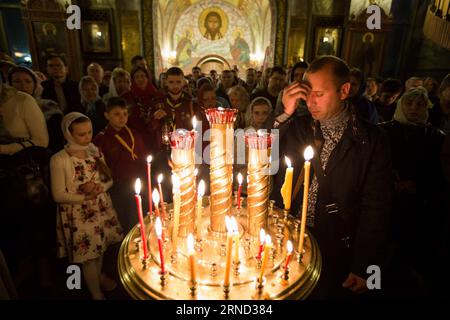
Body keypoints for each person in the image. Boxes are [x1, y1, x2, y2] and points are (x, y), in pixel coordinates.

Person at [272, 55, 393, 299]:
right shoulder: (298, 127)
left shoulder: (371, 140)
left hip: (337, 243)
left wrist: (364, 265)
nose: (311, 102)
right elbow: (262, 159)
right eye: (307, 94)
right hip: (293, 236)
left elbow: (377, 207)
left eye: (319, 93)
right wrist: (284, 114)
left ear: (344, 90)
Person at [379, 87, 446, 297]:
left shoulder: (435, 135)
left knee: (410, 250)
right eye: (409, 103)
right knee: (381, 250)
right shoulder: (384, 130)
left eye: (419, 104)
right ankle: (374, 286)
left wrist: (418, 185)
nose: (414, 108)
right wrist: (390, 181)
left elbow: (438, 170)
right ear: (400, 105)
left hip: (419, 204)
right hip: (386, 201)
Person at [50, 112, 123, 300]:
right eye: (81, 134)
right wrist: (85, 196)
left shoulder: (94, 151)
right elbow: (58, 194)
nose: (87, 137)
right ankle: (96, 293)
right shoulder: (60, 159)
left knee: (99, 249)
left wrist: (100, 188)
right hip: (79, 213)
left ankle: (97, 277)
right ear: (68, 134)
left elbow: (109, 180)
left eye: (89, 132)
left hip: (100, 207)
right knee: (88, 255)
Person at [93, 97, 147, 232]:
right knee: (124, 220)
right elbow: (99, 166)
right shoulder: (101, 138)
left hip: (137, 182)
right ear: (106, 115)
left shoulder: (134, 134)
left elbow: (142, 157)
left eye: (124, 113)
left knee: (139, 218)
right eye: (116, 114)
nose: (122, 118)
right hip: (117, 186)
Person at [8, 66, 64, 153]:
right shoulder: (6, 108)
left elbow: (57, 141)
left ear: (34, 84)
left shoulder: (48, 106)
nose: (23, 85)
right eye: (17, 81)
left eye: (28, 81)